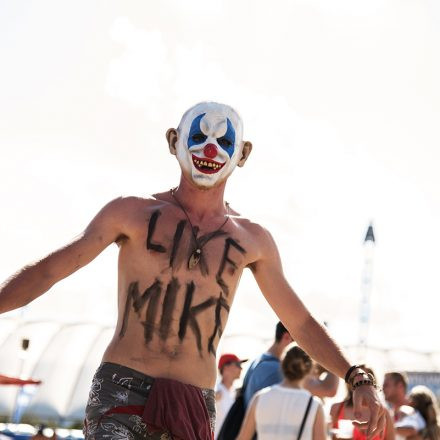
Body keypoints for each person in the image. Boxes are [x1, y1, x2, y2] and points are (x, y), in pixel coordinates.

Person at [0, 101, 385, 439]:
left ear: (243, 154)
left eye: (224, 142)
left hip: (194, 400)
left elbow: (298, 322)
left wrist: (356, 377)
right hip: (123, 387)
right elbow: (50, 270)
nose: (210, 149)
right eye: (198, 137)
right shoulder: (131, 213)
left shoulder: (253, 240)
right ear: (173, 141)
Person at [237, 345, 326, 440]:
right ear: (310, 369)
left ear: (282, 364)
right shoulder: (314, 405)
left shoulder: (259, 398)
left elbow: (243, 438)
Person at [244, 321, 338, 409]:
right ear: (286, 337)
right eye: (303, 343)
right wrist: (330, 349)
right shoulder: (280, 369)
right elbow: (329, 389)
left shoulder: (258, 362)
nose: (306, 350)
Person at [330, 366, 395, 440]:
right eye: (356, 379)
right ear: (349, 383)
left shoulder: (383, 412)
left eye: (366, 380)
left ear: (372, 384)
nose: (362, 384)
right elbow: (329, 435)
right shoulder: (337, 408)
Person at [383, 372, 425, 440]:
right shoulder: (392, 413)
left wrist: (385, 428)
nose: (383, 389)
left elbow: (411, 429)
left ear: (400, 386)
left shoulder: (408, 410)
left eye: (386, 385)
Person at [214, 353, 247, 438]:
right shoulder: (216, 391)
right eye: (237, 364)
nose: (241, 368)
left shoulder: (234, 394)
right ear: (225, 367)